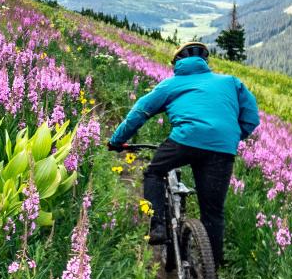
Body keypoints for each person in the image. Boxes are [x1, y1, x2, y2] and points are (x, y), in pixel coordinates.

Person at [107, 42, 259, 267]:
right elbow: (251, 118)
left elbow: (140, 111)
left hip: (185, 140)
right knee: (213, 212)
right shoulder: (230, 82)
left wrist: (117, 140)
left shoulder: (171, 84)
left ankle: (157, 225)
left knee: (154, 172)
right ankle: (212, 269)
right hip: (223, 147)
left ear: (177, 62)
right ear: (205, 62)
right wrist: (230, 136)